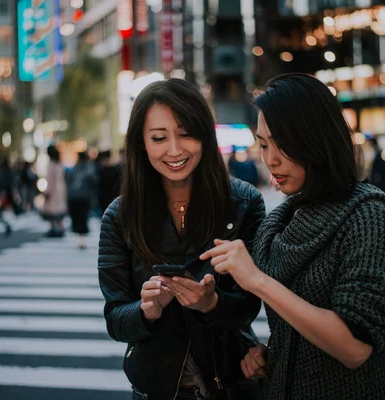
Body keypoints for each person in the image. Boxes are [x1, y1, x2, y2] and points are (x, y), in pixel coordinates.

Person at [200, 73, 385, 400]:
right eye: (264, 144)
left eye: (283, 144)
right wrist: (273, 354)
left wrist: (256, 280)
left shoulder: (367, 214)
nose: (271, 159)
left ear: (316, 139)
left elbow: (355, 348)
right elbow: (300, 324)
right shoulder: (281, 221)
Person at [98, 79, 266, 400]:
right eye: (159, 138)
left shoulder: (244, 203)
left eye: (186, 134)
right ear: (141, 143)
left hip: (231, 383)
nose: (174, 150)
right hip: (156, 387)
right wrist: (147, 309)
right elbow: (116, 320)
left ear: (205, 134)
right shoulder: (120, 216)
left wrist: (211, 303)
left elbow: (249, 305)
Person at [66, 151, 97, 249]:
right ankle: (81, 239)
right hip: (84, 197)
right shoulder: (89, 168)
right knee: (83, 218)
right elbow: (94, 180)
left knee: (77, 217)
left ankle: (80, 239)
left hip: (73, 196)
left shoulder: (74, 168)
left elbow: (68, 181)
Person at [42, 145, 67, 237]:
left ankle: (55, 229)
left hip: (54, 191)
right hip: (61, 189)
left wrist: (46, 192)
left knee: (50, 211)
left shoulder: (51, 165)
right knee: (59, 211)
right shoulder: (59, 164)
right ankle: (60, 228)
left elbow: (50, 180)